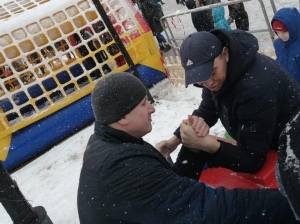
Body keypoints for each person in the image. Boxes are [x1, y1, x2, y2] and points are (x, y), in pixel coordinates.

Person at [77, 72, 299, 224]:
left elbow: (169, 192)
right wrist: (288, 200)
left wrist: (193, 147)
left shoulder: (110, 142)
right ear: (123, 117)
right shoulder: (123, 168)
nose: (152, 109)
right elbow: (207, 211)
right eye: (144, 104)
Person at [156, 30, 300, 175]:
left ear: (225, 54)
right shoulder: (219, 75)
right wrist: (174, 140)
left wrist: (208, 145)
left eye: (212, 72)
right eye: (200, 78)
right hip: (263, 134)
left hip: (291, 143)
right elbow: (208, 109)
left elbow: (253, 159)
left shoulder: (255, 88)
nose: (208, 83)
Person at [271, 7, 300, 84]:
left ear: (293, 27)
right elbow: (281, 61)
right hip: (287, 86)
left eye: (284, 31)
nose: (281, 36)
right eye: (278, 32)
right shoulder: (278, 44)